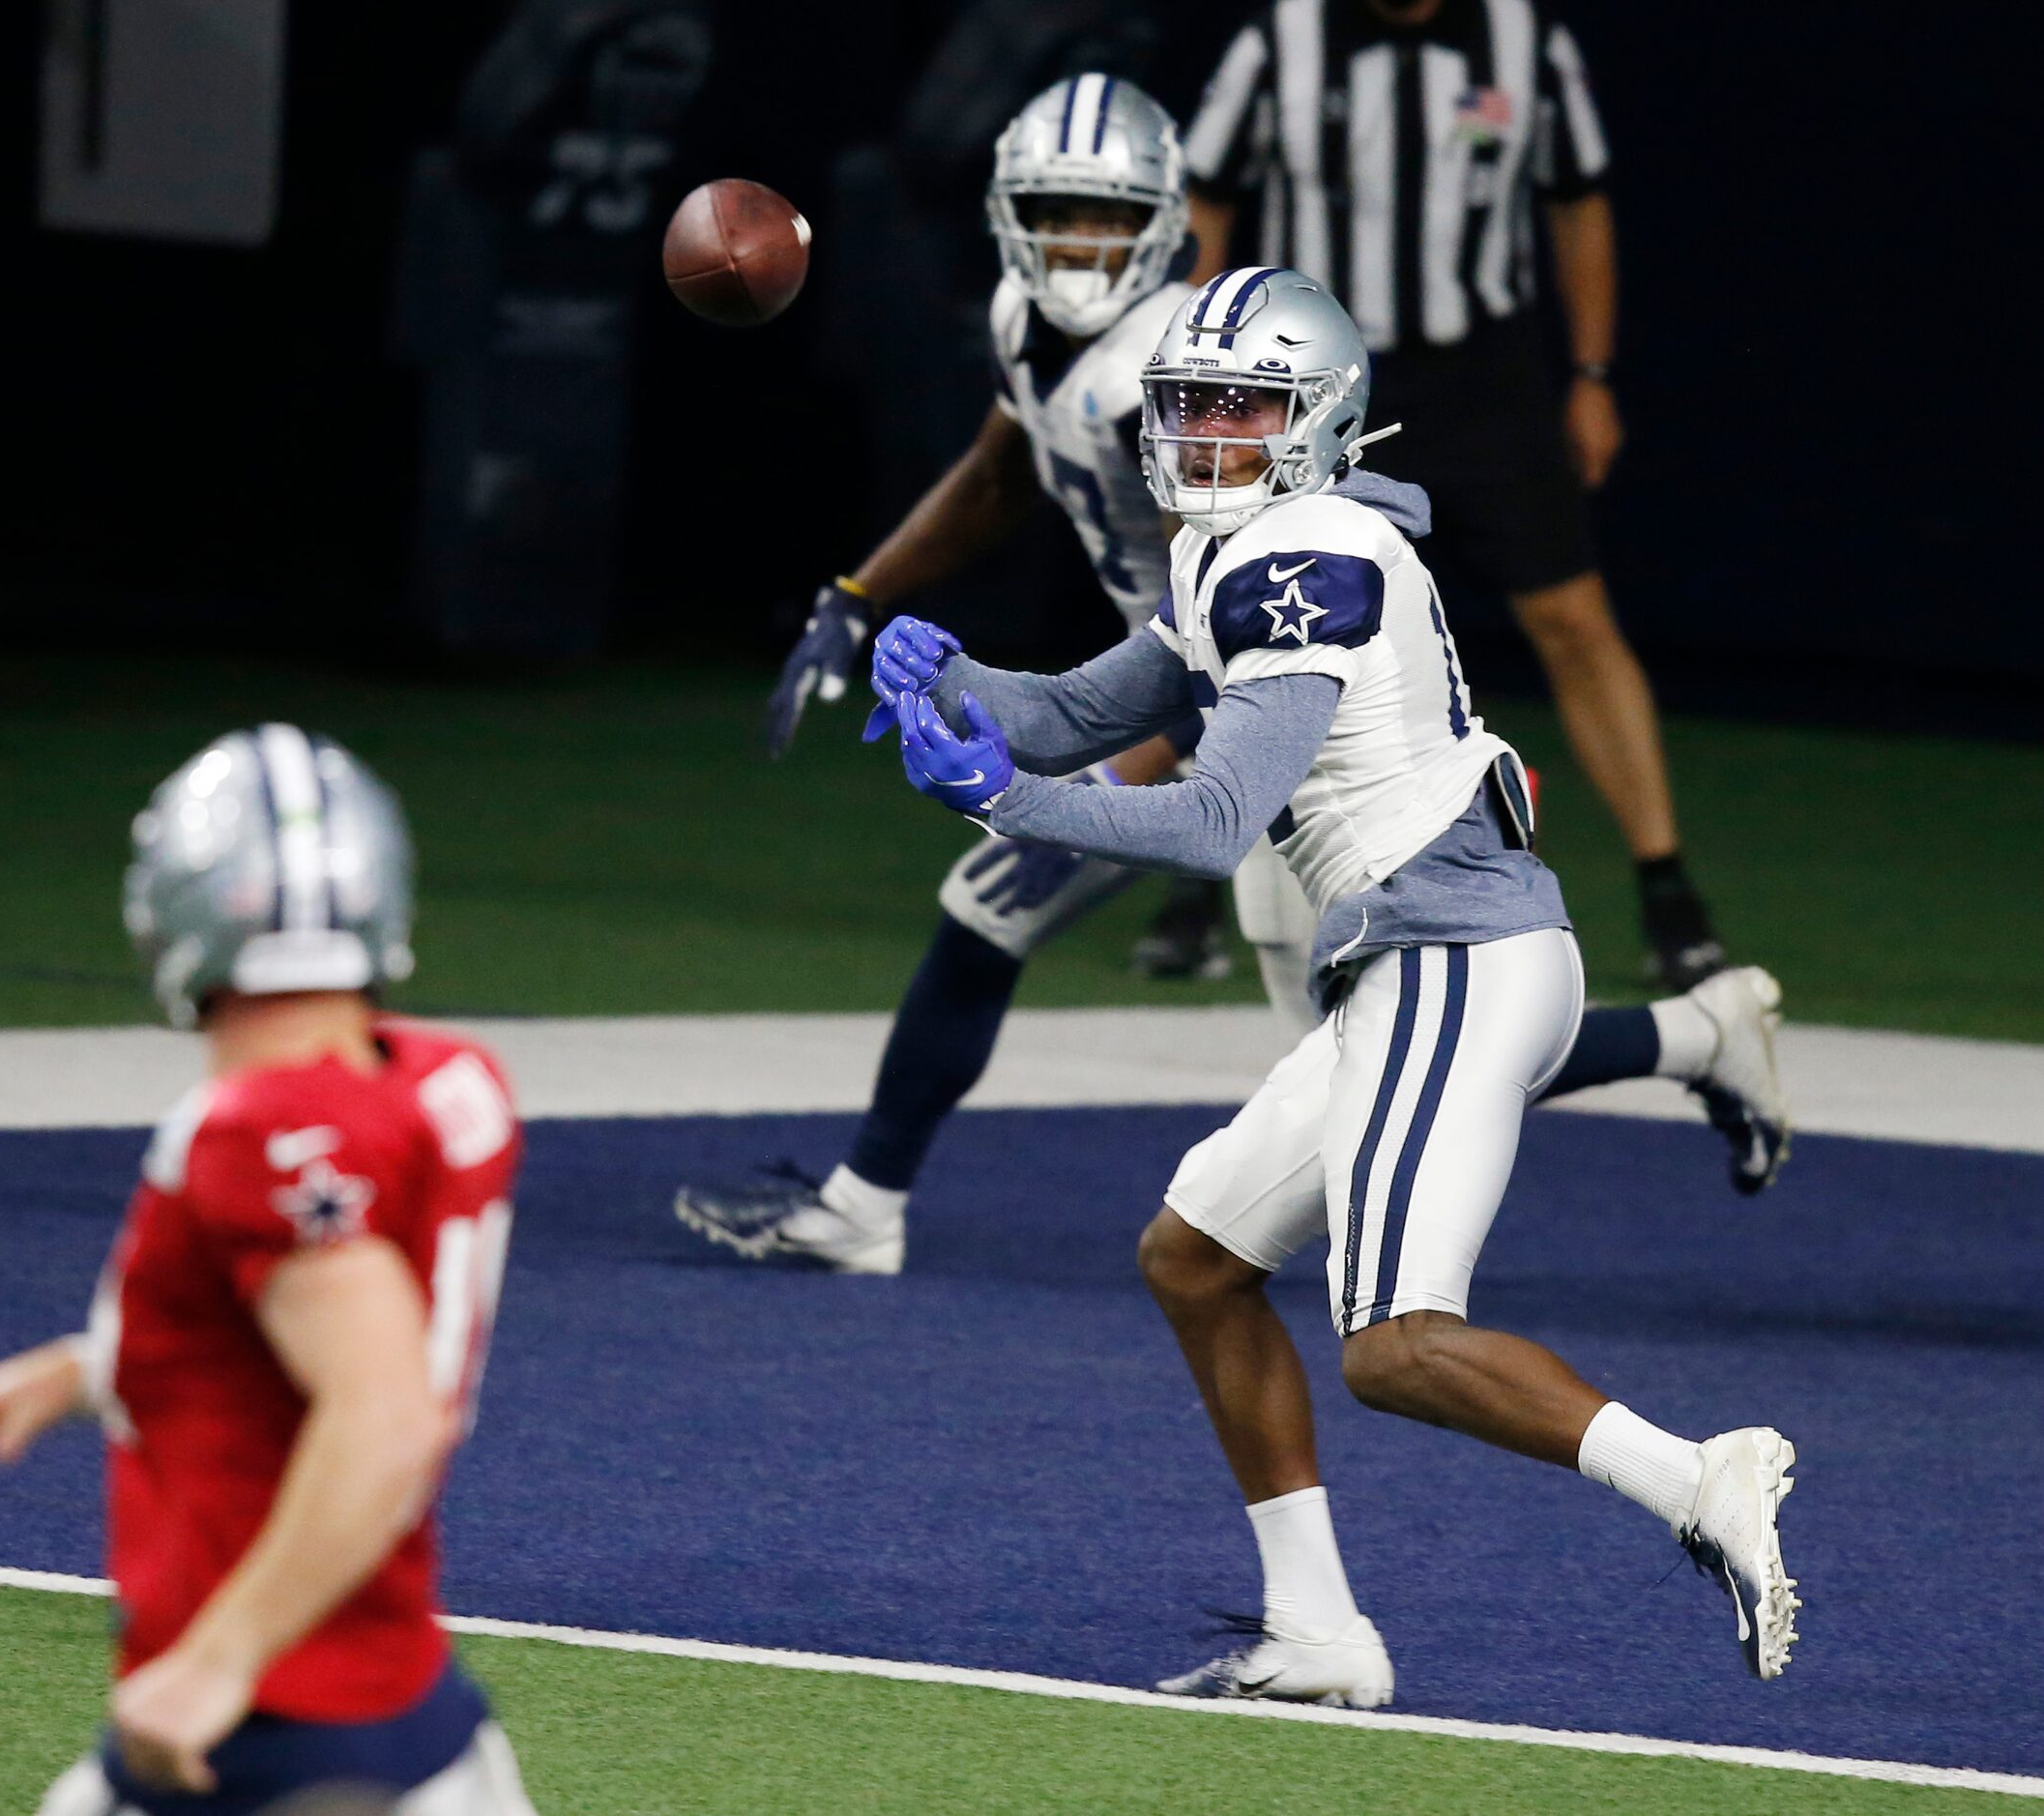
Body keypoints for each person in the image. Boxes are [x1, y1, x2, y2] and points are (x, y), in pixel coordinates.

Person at [866, 269, 1798, 1698]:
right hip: (1420, 959)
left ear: (1321, 419)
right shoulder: (1238, 549)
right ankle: (1318, 1631)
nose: (1203, 433)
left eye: (1242, 406)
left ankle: (1698, 1477)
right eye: (1186, 404)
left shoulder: (1306, 557)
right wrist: (950, 679)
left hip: (1452, 952)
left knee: (1396, 1346)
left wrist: (1003, 801)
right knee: (1194, 1259)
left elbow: (1213, 820)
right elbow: (1067, 715)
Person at [680, 75, 1786, 1277]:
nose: (1075, 245)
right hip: (1177, 682)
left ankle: (1689, 1035)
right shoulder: (1033, 327)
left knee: (1369, 1033)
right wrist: (863, 597)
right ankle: (863, 1203)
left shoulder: (1178, 389)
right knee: (1033, 928)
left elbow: (1226, 638)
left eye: (1103, 218)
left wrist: (1088, 780)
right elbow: (1005, 478)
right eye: (1053, 213)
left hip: (1263, 721)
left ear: (1165, 218)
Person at [0, 725, 537, 1814]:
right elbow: (297, 1333)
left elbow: (384, 1415)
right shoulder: (441, 1078)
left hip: (281, 1738)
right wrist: (96, 1365)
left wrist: (219, 1660)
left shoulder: (261, 1131)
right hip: (404, 1701)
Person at [1183, 0, 1725, 986]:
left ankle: (1665, 881)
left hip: (1486, 377)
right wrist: (1201, 364)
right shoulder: (1280, 38)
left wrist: (1592, 377)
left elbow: (1578, 200)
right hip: (1321, 375)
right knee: (1261, 618)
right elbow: (1205, 198)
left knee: (1570, 616)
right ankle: (1202, 878)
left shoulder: (1525, 40)